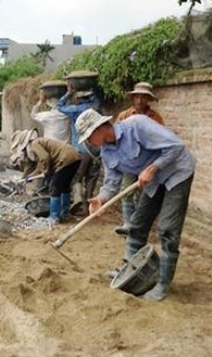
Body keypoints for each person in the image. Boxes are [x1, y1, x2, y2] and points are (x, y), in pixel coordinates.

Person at [76, 109, 195, 301]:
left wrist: (153, 167)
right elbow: (112, 182)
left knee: (167, 229)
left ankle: (163, 285)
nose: (89, 143)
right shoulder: (107, 152)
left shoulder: (137, 126)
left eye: (88, 137)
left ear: (98, 129)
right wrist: (101, 199)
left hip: (177, 172)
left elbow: (177, 146)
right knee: (136, 226)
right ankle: (128, 271)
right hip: (154, 181)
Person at [114, 82, 165, 235]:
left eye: (143, 97)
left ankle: (139, 225)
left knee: (145, 194)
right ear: (133, 98)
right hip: (130, 160)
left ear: (148, 99)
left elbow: (161, 139)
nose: (139, 100)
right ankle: (127, 224)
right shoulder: (124, 116)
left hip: (148, 161)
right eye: (137, 96)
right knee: (126, 191)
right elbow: (116, 136)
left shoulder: (155, 118)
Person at [11, 130, 80, 224]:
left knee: (54, 187)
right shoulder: (42, 143)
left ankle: (54, 217)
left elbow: (45, 158)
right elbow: (41, 165)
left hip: (65, 159)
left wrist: (46, 171)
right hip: (74, 157)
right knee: (64, 187)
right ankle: (65, 214)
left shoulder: (35, 143)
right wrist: (30, 177)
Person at [57, 72, 102, 216]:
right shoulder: (95, 107)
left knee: (76, 178)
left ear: (78, 98)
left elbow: (59, 106)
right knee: (91, 178)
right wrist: (93, 85)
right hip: (96, 150)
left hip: (81, 150)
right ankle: (89, 206)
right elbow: (98, 97)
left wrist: (69, 92)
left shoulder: (75, 110)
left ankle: (78, 201)